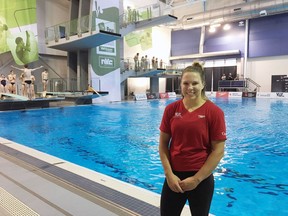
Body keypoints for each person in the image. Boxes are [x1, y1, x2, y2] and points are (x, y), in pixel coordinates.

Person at [158, 62, 226, 216]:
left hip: (201, 180)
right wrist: (169, 175)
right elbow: (163, 145)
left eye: (195, 83)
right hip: (173, 178)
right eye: (185, 83)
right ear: (180, 85)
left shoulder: (214, 112)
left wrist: (196, 179)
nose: (190, 87)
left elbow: (218, 151)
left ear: (203, 84)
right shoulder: (171, 109)